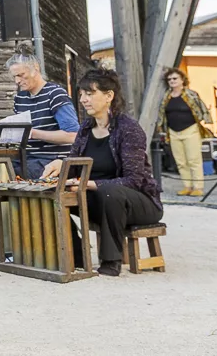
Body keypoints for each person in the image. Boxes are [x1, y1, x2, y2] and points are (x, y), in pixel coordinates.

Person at [41, 67, 163, 277]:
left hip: (139, 202)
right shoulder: (85, 129)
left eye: (90, 93)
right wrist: (60, 165)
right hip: (99, 199)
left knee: (109, 193)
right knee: (52, 194)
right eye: (82, 94)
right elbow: (74, 166)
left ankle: (111, 261)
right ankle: (76, 257)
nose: (83, 99)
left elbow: (134, 180)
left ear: (109, 96)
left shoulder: (128, 129)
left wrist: (89, 184)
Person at [8, 53, 80, 178]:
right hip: (27, 158)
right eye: (14, 76)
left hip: (53, 160)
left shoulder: (56, 95)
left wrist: (32, 133)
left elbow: (73, 135)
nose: (17, 81)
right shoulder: (20, 99)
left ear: (35, 68)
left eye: (21, 75)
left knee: (13, 174)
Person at [158, 68, 213, 196]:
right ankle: (187, 186)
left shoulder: (191, 95)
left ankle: (198, 187)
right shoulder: (166, 96)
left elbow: (201, 108)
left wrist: (205, 120)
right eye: (169, 79)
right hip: (173, 131)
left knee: (194, 160)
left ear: (182, 80)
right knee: (180, 161)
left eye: (175, 78)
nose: (172, 81)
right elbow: (162, 113)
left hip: (190, 130)